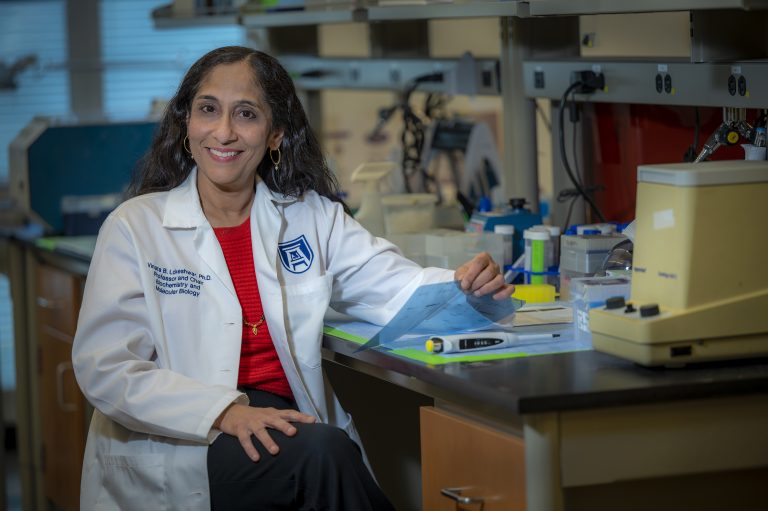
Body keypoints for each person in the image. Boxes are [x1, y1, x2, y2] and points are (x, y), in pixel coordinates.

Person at [72, 45, 513, 511]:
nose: (223, 131)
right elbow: (107, 369)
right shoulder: (135, 227)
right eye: (208, 110)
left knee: (323, 455)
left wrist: (468, 286)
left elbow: (396, 287)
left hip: (284, 423)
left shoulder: (309, 217)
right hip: (179, 440)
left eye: (246, 114)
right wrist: (224, 412)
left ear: (276, 134)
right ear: (186, 124)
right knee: (324, 456)